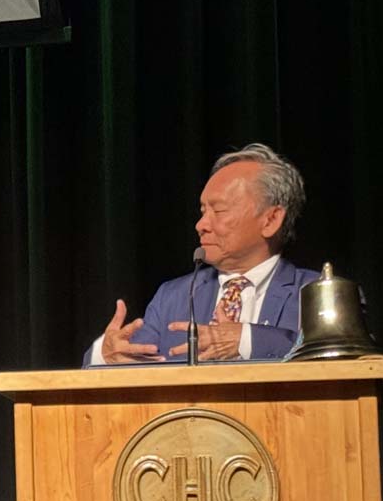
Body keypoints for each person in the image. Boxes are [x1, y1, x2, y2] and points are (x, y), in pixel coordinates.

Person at [86, 143, 318, 365]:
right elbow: (124, 361)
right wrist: (105, 354)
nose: (201, 224)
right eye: (203, 211)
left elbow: (335, 355)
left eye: (218, 210)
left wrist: (246, 341)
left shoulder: (316, 293)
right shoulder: (174, 297)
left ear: (271, 219)